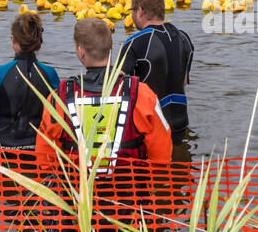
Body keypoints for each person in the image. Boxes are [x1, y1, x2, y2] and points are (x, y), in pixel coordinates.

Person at [35, 18, 172, 174]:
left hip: (78, 193)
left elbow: (44, 158)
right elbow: (162, 155)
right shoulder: (142, 94)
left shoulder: (59, 98)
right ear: (110, 48)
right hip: (130, 192)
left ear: (81, 51)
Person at [117, 0, 194, 141]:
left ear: (139, 11)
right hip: (181, 121)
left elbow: (117, 89)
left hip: (151, 126)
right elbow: (184, 81)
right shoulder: (184, 38)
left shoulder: (134, 42)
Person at [0, 13, 59, 149]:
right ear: (38, 42)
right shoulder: (50, 74)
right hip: (37, 146)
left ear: (13, 41)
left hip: (1, 146)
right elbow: (58, 116)